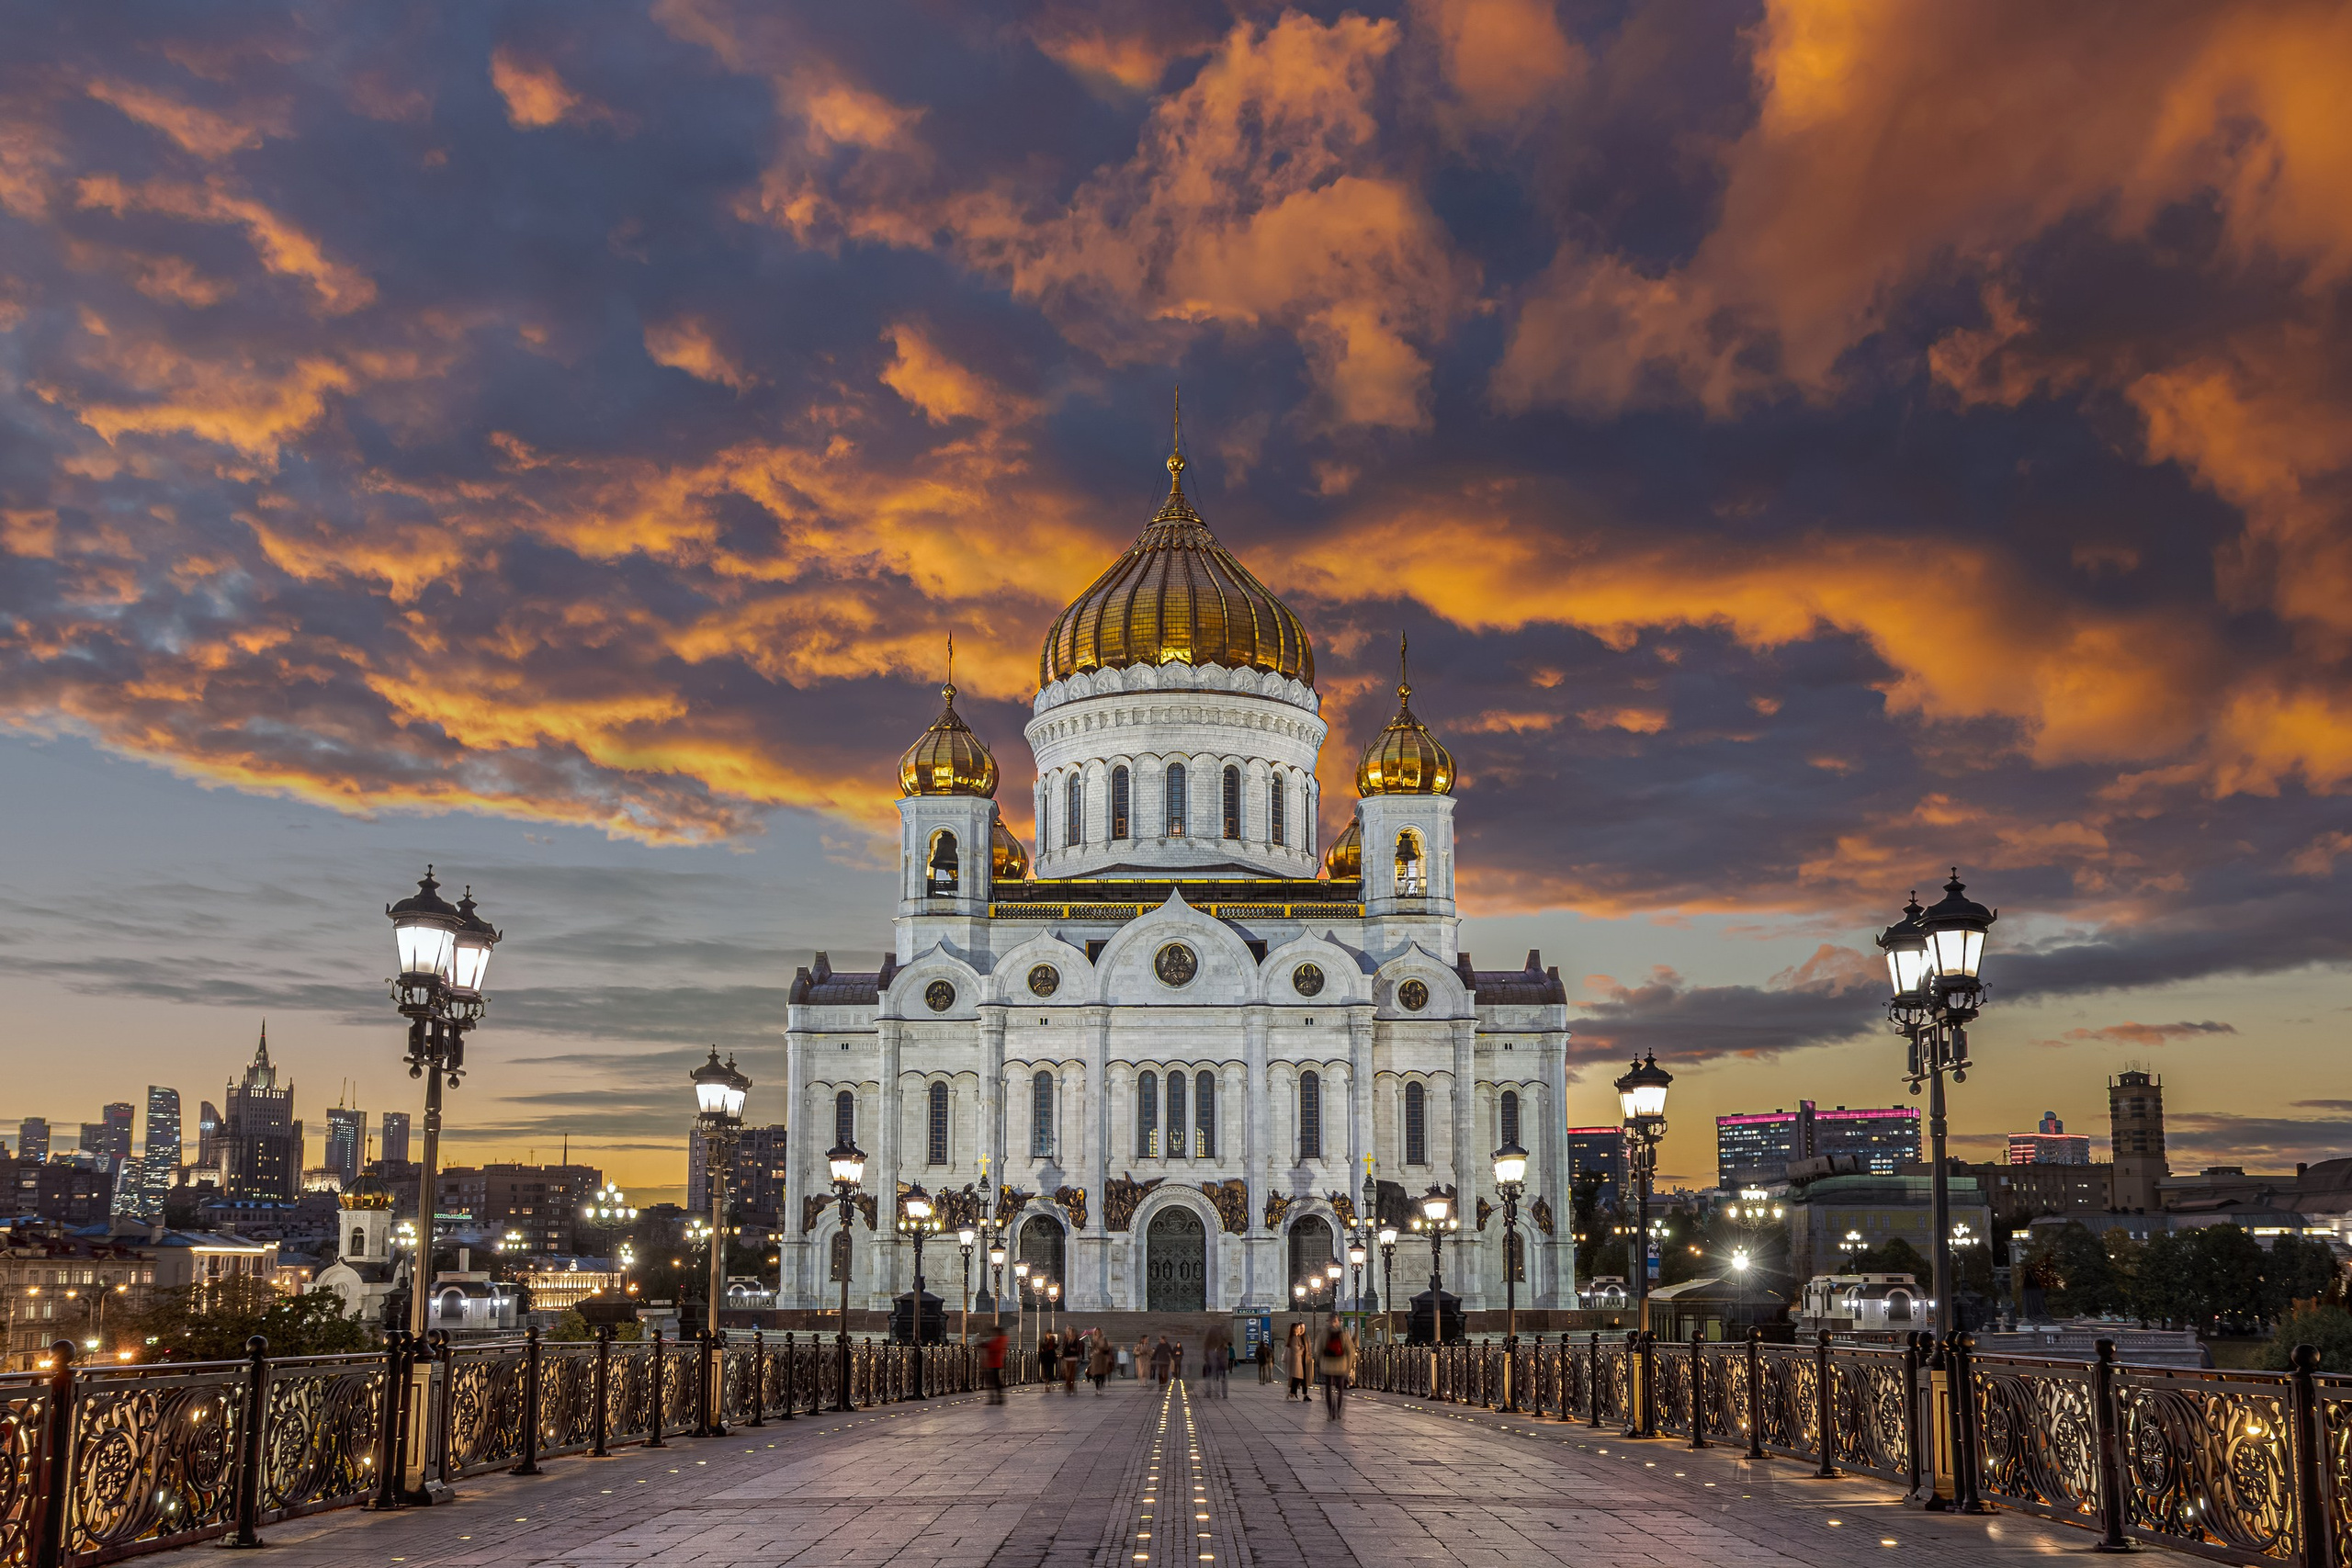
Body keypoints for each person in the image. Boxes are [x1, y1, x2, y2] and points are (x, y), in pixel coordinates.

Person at [1317, 1321, 1357, 1419]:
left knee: (1328, 1389)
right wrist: (1349, 1365)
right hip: (1341, 1365)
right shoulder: (1343, 1335)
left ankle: (1331, 1411)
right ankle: (1337, 1411)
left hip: (1327, 1365)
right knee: (1340, 1389)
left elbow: (1318, 1350)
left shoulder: (1324, 1335)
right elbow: (1350, 1351)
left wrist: (1319, 1362)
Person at [982, 1324, 1009, 1404]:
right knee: (992, 1382)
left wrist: (987, 1345)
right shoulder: (998, 1339)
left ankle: (998, 1398)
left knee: (995, 1382)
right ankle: (995, 1398)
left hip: (996, 1363)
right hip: (992, 1363)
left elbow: (996, 1347)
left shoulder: (1001, 1339)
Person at [1284, 1323, 1310, 1401]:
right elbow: (1296, 1351)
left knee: (1298, 1377)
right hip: (1296, 1360)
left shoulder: (1298, 1337)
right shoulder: (1294, 1338)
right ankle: (1292, 1394)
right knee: (1297, 1377)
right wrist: (1302, 1349)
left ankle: (1293, 1393)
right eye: (1299, 1328)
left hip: (1298, 1360)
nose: (1301, 1330)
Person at [1088, 1328, 1114, 1393]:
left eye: (1099, 1332)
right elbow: (1092, 1348)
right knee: (1096, 1374)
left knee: (1102, 1374)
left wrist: (1103, 1349)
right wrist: (1093, 1352)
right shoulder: (1093, 1339)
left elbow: (1106, 1349)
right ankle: (1097, 1388)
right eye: (1096, 1332)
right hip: (1095, 1359)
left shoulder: (1104, 1339)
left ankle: (1100, 1388)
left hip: (1102, 1358)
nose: (1098, 1333)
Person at [1062, 1329, 1081, 1396]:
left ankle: (1071, 1388)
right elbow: (1064, 1348)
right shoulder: (1066, 1340)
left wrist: (1074, 1350)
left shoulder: (1076, 1341)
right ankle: (1068, 1388)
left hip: (1073, 1359)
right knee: (1067, 1375)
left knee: (1072, 1375)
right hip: (1067, 1359)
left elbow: (1078, 1349)